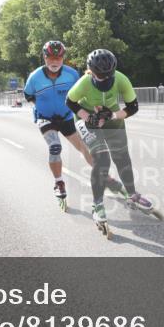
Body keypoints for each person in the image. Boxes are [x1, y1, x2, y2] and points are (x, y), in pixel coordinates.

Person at [23, 40, 124, 208]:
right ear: (44, 57)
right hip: (45, 118)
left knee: (85, 146)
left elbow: (83, 93)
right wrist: (41, 108)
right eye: (50, 57)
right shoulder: (34, 77)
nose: (54, 61)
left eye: (58, 57)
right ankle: (59, 182)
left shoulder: (71, 74)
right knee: (55, 147)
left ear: (63, 58)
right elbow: (29, 96)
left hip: (66, 117)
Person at [66, 48, 152, 232]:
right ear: (91, 72)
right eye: (99, 76)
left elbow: (133, 107)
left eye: (108, 76)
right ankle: (97, 205)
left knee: (122, 157)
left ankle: (132, 194)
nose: (104, 79)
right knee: (102, 159)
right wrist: (88, 117)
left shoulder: (121, 79)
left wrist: (113, 115)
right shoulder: (84, 83)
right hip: (87, 120)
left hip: (112, 116)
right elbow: (70, 102)